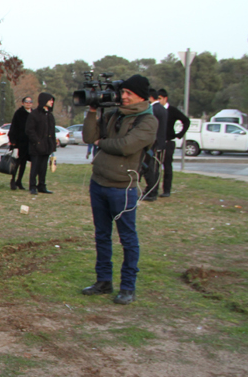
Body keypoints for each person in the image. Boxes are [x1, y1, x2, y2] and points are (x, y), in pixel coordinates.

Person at [80, 75, 157, 305]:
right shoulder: (114, 114)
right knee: (102, 235)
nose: (123, 96)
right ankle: (103, 281)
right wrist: (93, 111)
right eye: (122, 92)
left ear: (141, 96)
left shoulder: (147, 120)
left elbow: (126, 146)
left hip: (122, 188)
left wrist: (101, 143)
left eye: (128, 94)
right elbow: (89, 136)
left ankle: (127, 287)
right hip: (99, 183)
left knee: (127, 239)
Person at [157, 88, 190, 197]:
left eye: (160, 99)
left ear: (165, 99)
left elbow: (186, 120)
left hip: (168, 142)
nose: (158, 101)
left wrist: (179, 134)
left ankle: (166, 190)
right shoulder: (155, 110)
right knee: (154, 166)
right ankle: (153, 189)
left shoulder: (172, 110)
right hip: (156, 142)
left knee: (167, 166)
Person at [25, 93, 56, 195]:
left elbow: (52, 132)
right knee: (35, 167)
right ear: (44, 101)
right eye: (50, 100)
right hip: (36, 147)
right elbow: (29, 130)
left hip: (46, 146)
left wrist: (53, 146)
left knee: (43, 168)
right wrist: (37, 142)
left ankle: (42, 185)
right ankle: (32, 186)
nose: (52, 102)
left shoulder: (50, 115)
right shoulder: (34, 114)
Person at [141, 89, 168, 202]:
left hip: (154, 143)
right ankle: (152, 190)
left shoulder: (153, 109)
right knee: (155, 169)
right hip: (161, 142)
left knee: (150, 169)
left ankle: (151, 191)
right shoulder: (163, 109)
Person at [7, 96, 33, 190]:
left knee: (24, 163)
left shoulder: (33, 113)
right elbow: (13, 127)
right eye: (26, 101)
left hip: (29, 143)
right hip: (19, 143)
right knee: (16, 163)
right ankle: (13, 180)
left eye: (30, 102)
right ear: (23, 103)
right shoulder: (19, 113)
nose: (28, 103)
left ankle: (19, 181)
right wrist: (13, 142)